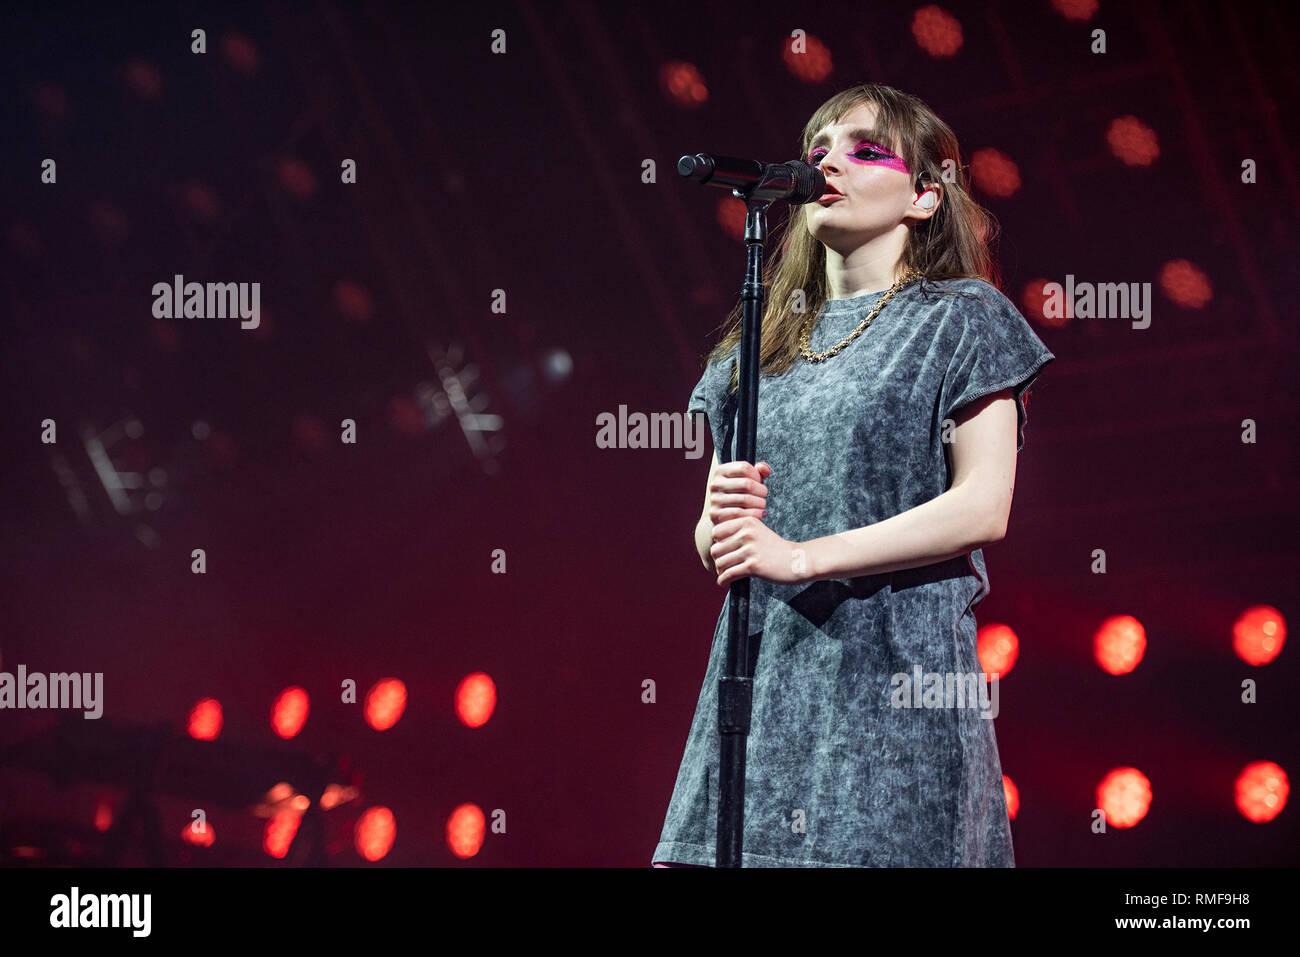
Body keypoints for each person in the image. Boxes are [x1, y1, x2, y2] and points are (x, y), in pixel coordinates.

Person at [652, 82, 1055, 867]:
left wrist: (802, 555)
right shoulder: (751, 354)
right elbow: (719, 541)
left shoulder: (961, 317)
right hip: (761, 687)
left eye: (868, 150)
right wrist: (714, 522)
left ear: (925, 196)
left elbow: (982, 505)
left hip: (894, 690)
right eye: (820, 150)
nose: (831, 161)